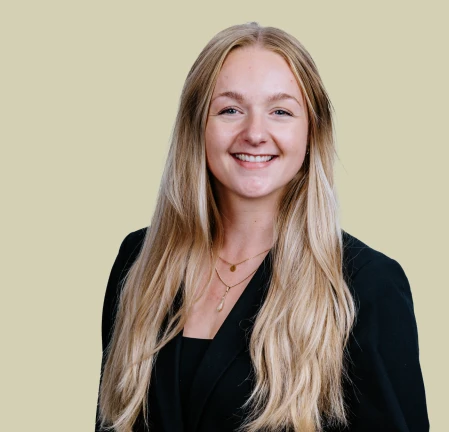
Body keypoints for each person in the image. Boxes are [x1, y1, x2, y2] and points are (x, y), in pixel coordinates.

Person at [95, 22, 429, 432]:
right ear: (196, 126)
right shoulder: (140, 261)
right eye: (230, 110)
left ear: (312, 131)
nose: (255, 133)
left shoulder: (367, 286)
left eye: (281, 112)